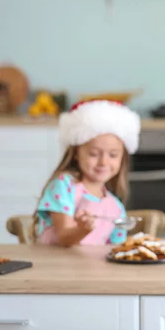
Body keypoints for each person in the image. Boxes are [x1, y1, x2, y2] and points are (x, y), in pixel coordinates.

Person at [33, 99, 141, 247]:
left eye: (113, 155)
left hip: (93, 270)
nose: (103, 162)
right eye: (94, 154)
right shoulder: (64, 186)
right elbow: (64, 238)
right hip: (55, 267)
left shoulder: (116, 208)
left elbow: (116, 250)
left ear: (122, 158)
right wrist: (83, 229)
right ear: (76, 153)